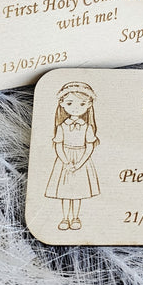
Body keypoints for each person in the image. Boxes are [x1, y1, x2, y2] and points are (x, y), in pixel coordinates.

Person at [44, 81, 100, 230]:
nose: (75, 108)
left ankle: (75, 218)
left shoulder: (87, 127)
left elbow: (89, 146)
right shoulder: (61, 127)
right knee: (65, 193)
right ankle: (64, 218)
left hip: (81, 160)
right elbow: (58, 145)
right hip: (65, 160)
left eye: (81, 104)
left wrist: (80, 163)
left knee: (77, 192)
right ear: (62, 104)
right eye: (70, 103)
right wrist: (66, 162)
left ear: (88, 105)